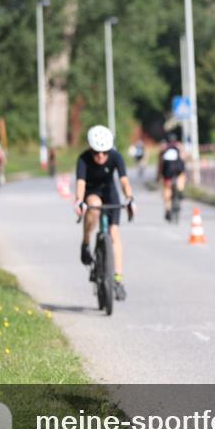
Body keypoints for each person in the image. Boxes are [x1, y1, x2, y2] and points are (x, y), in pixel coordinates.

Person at [74, 125, 135, 301]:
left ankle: (117, 280)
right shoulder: (83, 159)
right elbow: (80, 184)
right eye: (96, 152)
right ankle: (85, 243)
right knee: (94, 206)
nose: (100, 156)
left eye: (104, 152)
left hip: (110, 193)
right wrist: (79, 200)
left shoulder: (116, 157)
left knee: (115, 234)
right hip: (92, 192)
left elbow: (124, 181)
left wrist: (130, 197)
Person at [157, 129, 186, 221]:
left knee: (167, 188)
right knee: (182, 175)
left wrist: (159, 175)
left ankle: (168, 209)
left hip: (167, 171)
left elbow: (160, 163)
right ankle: (180, 190)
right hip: (177, 168)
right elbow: (183, 158)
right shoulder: (179, 146)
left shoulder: (163, 148)